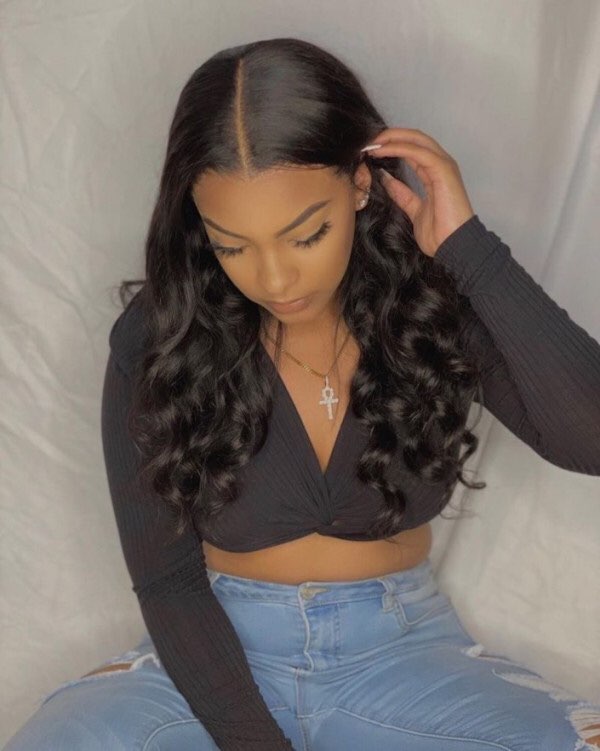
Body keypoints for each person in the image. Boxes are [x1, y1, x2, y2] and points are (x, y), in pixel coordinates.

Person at [6, 36, 600, 751]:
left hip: (404, 661)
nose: (275, 279)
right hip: (206, 665)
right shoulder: (161, 335)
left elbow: (591, 438)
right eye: (232, 245)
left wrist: (471, 251)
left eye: (306, 234)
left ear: (360, 185)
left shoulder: (428, 304)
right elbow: (167, 581)